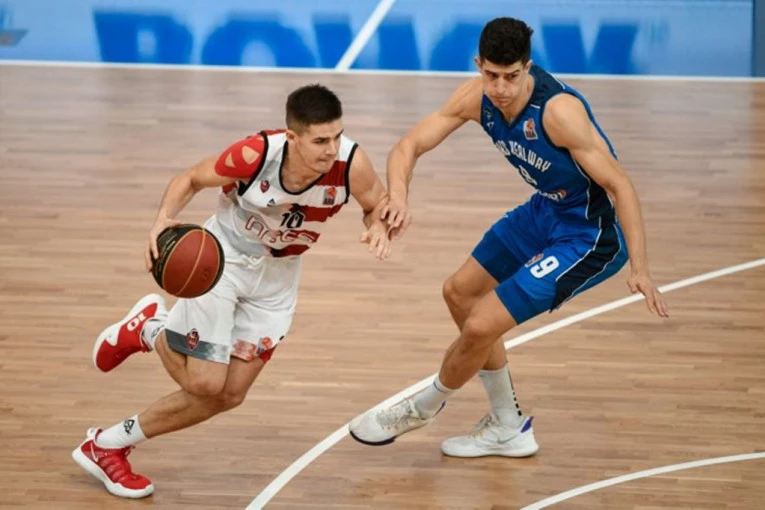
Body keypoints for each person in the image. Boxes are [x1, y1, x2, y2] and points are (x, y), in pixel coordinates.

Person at [349, 17, 669, 457]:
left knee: (481, 324)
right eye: (492, 75)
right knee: (459, 293)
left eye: (511, 77)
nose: (500, 88)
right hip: (547, 210)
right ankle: (507, 425)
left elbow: (621, 185)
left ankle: (421, 408)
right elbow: (409, 146)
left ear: (527, 68)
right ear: (478, 65)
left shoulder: (557, 114)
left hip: (590, 235)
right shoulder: (475, 98)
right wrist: (400, 197)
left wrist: (640, 268)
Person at [72, 84, 392, 498]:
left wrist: (378, 227)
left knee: (230, 395)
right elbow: (191, 178)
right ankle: (152, 329)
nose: (332, 149)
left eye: (337, 136)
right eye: (320, 141)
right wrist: (162, 219)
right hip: (221, 262)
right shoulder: (254, 155)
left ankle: (106, 445)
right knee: (206, 385)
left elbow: (374, 203)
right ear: (292, 137)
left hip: (278, 279)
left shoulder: (351, 164)